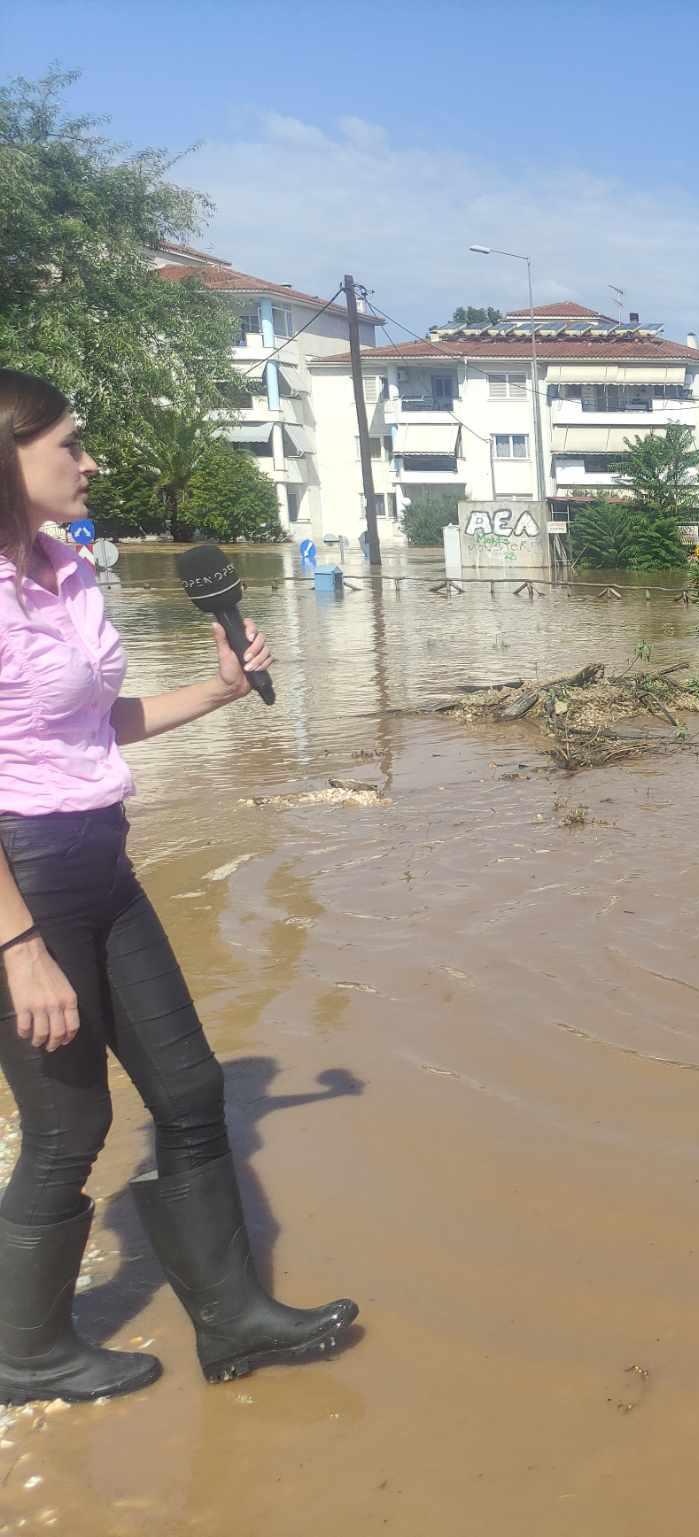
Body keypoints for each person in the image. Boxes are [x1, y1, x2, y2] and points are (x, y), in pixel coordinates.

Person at [0, 370, 356, 1405]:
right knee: (68, 1130)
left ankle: (235, 1319)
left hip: (99, 859)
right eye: (70, 444)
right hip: (23, 883)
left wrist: (218, 690)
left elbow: (84, 728)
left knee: (193, 1092)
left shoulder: (64, 568)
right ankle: (25, 1353)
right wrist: (17, 948)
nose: (90, 460)